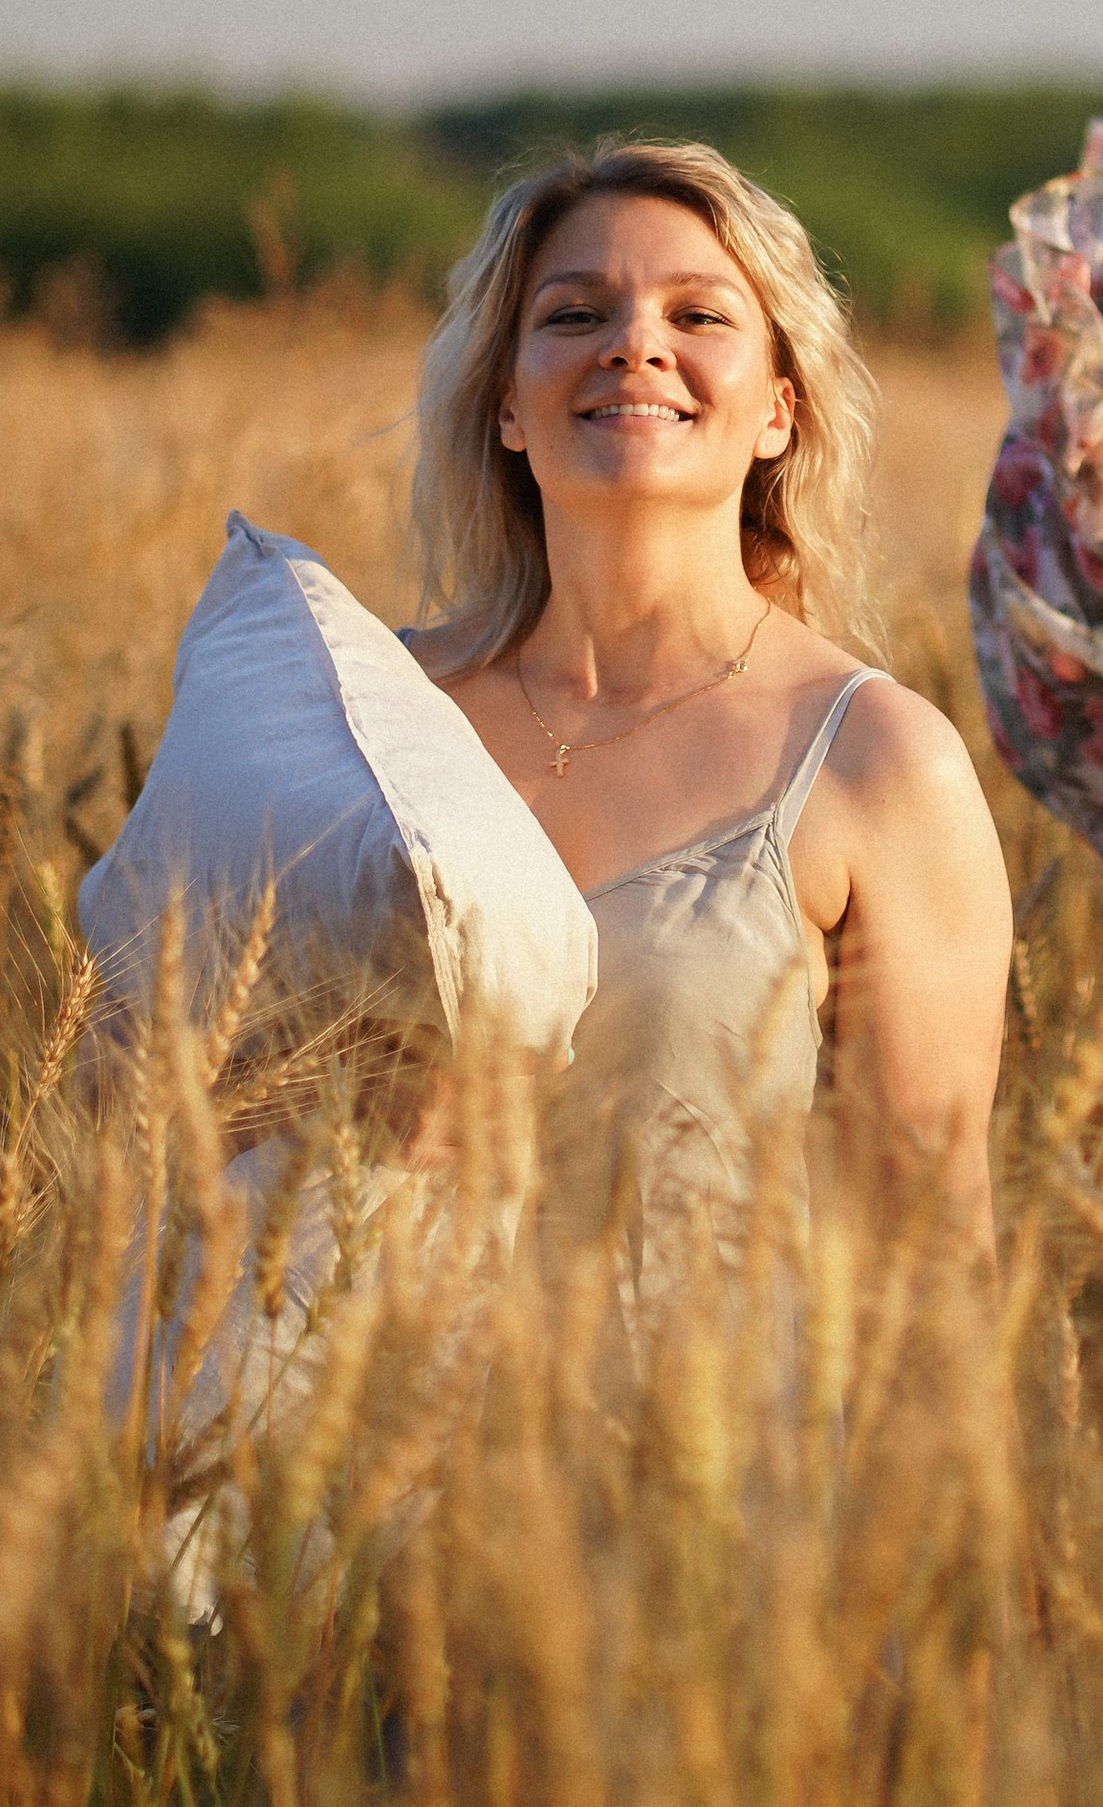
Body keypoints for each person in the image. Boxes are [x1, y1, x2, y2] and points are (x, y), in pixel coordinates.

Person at [399, 140, 1013, 1306]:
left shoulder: (877, 764)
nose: (634, 343)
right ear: (507, 407)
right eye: (574, 313)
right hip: (365, 1471)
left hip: (701, 1474)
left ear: (779, 412)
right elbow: (158, 1095)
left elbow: (929, 1259)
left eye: (700, 314)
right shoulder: (363, 717)